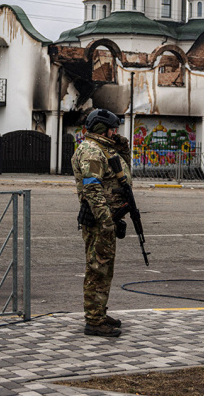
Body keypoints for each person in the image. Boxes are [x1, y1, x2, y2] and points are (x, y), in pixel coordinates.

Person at [71, 108, 132, 337]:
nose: (114, 132)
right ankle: (94, 321)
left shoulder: (103, 147)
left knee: (104, 269)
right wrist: (106, 220)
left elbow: (123, 168)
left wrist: (122, 144)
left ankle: (98, 311)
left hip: (106, 219)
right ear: (100, 128)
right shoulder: (91, 151)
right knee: (97, 270)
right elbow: (93, 189)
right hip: (99, 221)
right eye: (111, 129)